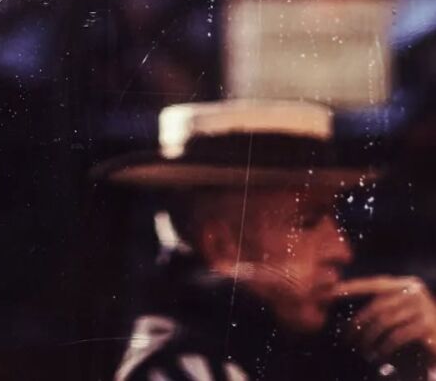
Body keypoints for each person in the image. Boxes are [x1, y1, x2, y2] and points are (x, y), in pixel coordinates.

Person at [98, 99, 436, 381]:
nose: (342, 250)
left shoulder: (306, 350)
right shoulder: (180, 371)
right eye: (307, 222)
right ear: (222, 247)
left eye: (334, 219)